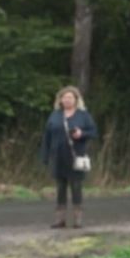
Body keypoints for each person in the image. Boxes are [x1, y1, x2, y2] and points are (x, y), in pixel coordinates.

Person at [40, 86, 98, 228]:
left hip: (75, 157)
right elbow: (47, 136)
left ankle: (78, 220)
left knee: (76, 187)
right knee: (60, 187)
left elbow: (93, 132)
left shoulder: (83, 115)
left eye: (70, 97)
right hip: (58, 157)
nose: (67, 100)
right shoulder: (55, 115)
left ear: (76, 100)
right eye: (64, 97)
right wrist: (45, 155)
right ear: (60, 100)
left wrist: (81, 134)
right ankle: (60, 220)